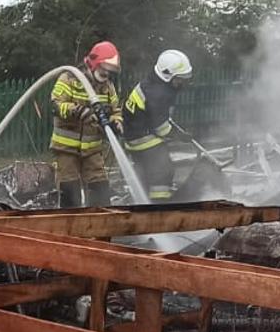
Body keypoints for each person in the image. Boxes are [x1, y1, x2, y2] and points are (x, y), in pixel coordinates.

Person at [50, 41, 124, 208]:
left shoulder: (108, 87)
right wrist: (77, 111)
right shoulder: (69, 79)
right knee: (70, 191)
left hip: (92, 150)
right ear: (94, 63)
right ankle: (71, 223)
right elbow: (56, 105)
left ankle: (99, 222)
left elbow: (116, 111)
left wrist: (116, 123)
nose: (107, 73)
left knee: (100, 189)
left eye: (111, 70)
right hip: (66, 149)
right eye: (104, 68)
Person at [123, 49, 193, 201]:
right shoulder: (158, 93)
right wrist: (179, 136)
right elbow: (161, 129)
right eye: (179, 79)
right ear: (167, 75)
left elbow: (156, 116)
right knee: (163, 170)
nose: (181, 83)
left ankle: (144, 203)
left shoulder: (153, 84)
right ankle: (160, 203)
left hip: (134, 136)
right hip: (143, 138)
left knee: (146, 174)